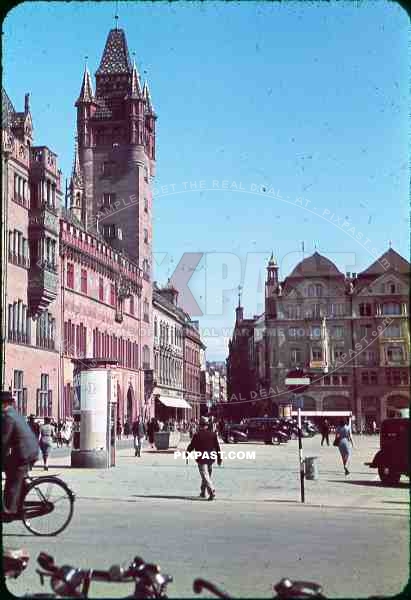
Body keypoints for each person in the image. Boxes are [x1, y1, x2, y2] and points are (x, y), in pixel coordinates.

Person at [1, 390, 40, 517]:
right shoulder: (15, 413)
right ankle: (18, 501)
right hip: (29, 450)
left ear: (3, 404)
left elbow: (4, 440)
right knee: (13, 473)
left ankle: (10, 510)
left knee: (13, 477)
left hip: (25, 453)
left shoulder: (9, 417)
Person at [186, 415, 222, 501]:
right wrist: (219, 458)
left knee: (205, 475)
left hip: (201, 458)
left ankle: (211, 491)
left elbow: (191, 446)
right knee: (207, 475)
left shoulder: (197, 435)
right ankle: (203, 491)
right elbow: (217, 447)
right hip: (211, 457)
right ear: (207, 425)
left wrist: (187, 453)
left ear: (200, 425)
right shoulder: (213, 434)